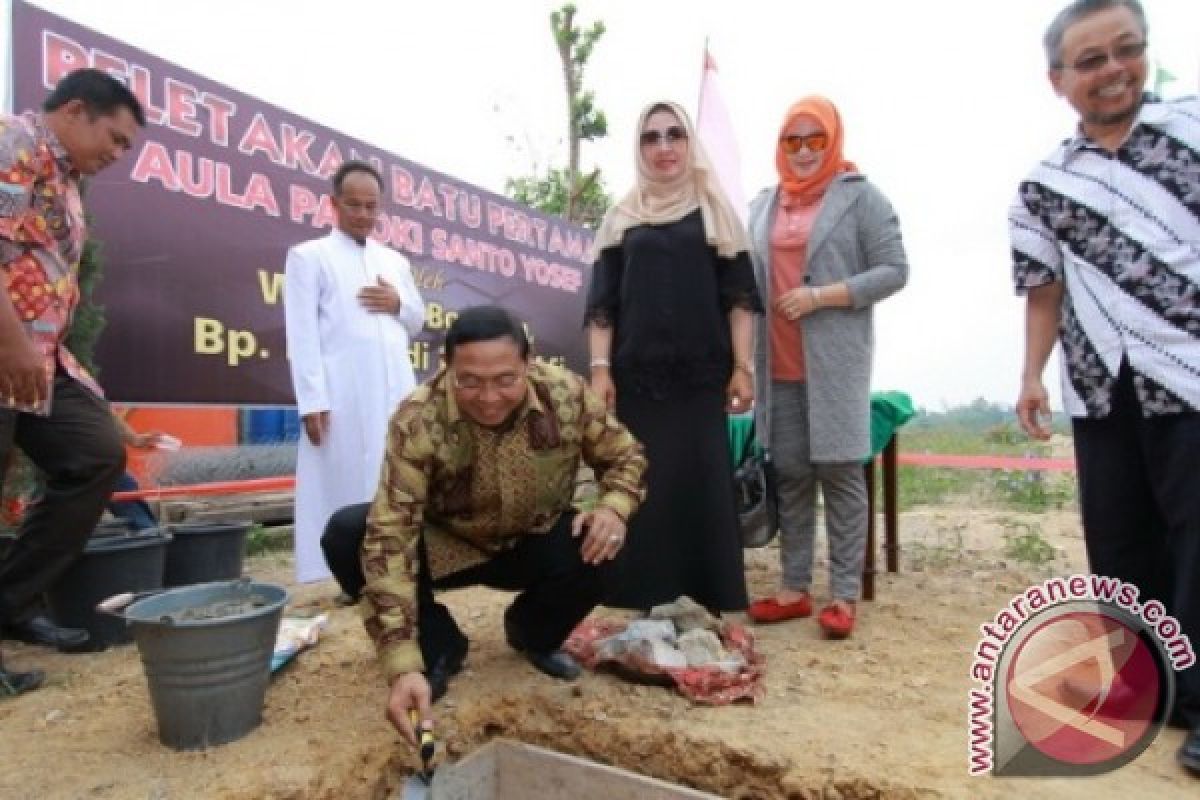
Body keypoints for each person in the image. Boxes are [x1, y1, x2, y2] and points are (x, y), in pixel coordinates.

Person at [1009, 0, 1200, 774]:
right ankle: (1143, 688)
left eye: (1126, 51)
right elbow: (1043, 288)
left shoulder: (1191, 133)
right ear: (1059, 80)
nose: (1112, 70)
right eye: (1090, 61)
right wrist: (1030, 374)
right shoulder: (1044, 185)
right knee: (1119, 544)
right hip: (1101, 386)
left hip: (1190, 375)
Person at [320, 306, 646, 746]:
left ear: (528, 364)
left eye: (505, 380)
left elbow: (626, 457)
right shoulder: (418, 418)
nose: (488, 397)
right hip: (445, 545)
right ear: (447, 368)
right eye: (469, 381)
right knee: (348, 535)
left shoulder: (567, 395)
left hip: (532, 540)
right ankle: (438, 648)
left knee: (609, 546)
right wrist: (402, 664)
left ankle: (534, 633)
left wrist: (612, 506)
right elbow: (391, 535)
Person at [584, 100, 761, 614]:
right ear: (639, 147)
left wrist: (742, 366)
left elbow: (740, 299)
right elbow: (602, 304)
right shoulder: (621, 217)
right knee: (644, 482)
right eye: (651, 137)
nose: (664, 147)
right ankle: (642, 595)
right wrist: (599, 370)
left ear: (689, 143)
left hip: (700, 378)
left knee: (701, 481)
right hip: (638, 378)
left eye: (674, 135)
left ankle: (709, 596)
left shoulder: (715, 211)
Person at [0, 68, 145, 690]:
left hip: (40, 358)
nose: (116, 155)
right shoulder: (13, 141)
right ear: (78, 110)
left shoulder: (69, 182)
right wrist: (10, 342)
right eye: (114, 139)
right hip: (5, 345)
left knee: (95, 453)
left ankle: (10, 604)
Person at [744, 96, 908, 639]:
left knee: (840, 474)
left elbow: (894, 270)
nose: (807, 150)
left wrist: (824, 297)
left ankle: (841, 596)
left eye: (817, 139)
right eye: (795, 140)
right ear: (781, 146)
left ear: (834, 140)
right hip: (778, 364)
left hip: (835, 365)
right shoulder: (763, 204)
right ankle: (794, 588)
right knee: (789, 475)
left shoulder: (861, 198)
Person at [284, 160, 425, 583]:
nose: (363, 214)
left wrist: (396, 303)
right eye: (354, 205)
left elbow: (417, 320)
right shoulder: (309, 256)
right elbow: (302, 334)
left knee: (397, 471)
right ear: (333, 204)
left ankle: (398, 562)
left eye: (371, 206)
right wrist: (312, 400)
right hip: (341, 391)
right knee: (340, 476)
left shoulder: (394, 261)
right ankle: (343, 573)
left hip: (395, 385)